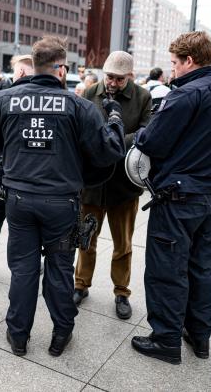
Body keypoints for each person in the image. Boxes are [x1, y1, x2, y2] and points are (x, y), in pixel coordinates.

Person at [0, 36, 126, 357]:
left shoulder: (4, 99)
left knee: (23, 269)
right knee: (60, 270)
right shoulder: (79, 106)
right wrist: (115, 120)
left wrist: (18, 163)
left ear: (34, 65)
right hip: (61, 203)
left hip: (19, 199)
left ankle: (18, 335)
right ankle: (61, 333)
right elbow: (109, 152)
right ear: (61, 68)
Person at [131, 31, 211, 365]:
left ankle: (165, 339)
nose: (173, 70)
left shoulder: (186, 94)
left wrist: (140, 132)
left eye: (174, 63)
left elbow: (151, 142)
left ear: (189, 61)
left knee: (167, 268)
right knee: (202, 267)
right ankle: (200, 335)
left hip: (178, 197)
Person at [73, 51, 152, 320]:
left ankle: (122, 291)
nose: (113, 83)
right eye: (109, 77)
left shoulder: (142, 97)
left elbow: (146, 134)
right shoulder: (89, 92)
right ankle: (80, 284)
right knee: (85, 239)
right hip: (92, 184)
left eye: (119, 79)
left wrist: (109, 142)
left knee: (123, 245)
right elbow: (79, 130)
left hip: (123, 185)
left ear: (129, 77)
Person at [0, 54, 35, 265]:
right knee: (26, 230)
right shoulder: (53, 96)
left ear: (20, 72)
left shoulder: (5, 97)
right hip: (35, 179)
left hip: (7, 171)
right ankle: (27, 267)